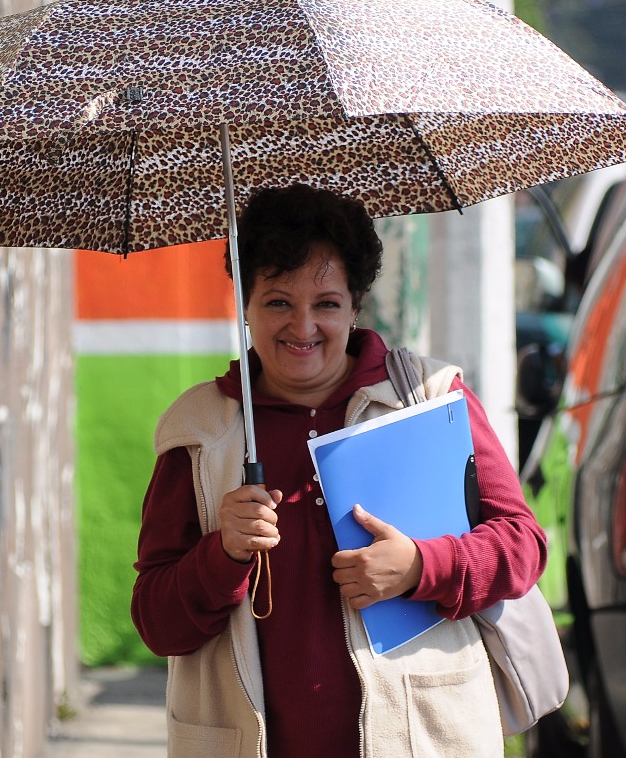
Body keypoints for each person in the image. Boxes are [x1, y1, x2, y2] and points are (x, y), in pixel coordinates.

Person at [131, 184, 547, 758]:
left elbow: (523, 547)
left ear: (355, 305)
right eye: (278, 301)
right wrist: (220, 554)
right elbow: (157, 623)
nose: (303, 328)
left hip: (423, 740)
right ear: (244, 306)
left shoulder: (427, 398)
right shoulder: (198, 433)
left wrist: (421, 566)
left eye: (326, 303)